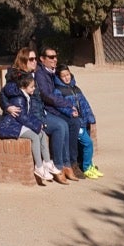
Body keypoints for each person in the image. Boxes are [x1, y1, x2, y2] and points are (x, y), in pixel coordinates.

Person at [0, 72, 59, 185]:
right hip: (10, 125)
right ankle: (39, 167)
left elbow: (29, 114)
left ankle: (47, 162)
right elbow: (22, 117)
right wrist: (35, 126)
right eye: (32, 87)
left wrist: (39, 124)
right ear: (23, 87)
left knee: (42, 134)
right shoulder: (19, 99)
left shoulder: (26, 96)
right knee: (35, 136)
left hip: (18, 123)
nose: (34, 89)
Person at [34, 46, 80, 181]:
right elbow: (47, 96)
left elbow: (67, 82)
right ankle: (59, 165)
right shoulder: (40, 74)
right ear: (42, 59)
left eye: (55, 56)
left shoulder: (54, 72)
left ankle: (70, 162)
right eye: (51, 57)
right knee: (61, 126)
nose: (55, 59)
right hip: (47, 110)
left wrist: (71, 108)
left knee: (75, 122)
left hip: (56, 108)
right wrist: (67, 105)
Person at [53, 64, 102, 178]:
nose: (66, 78)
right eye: (63, 76)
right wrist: (69, 112)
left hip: (83, 120)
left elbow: (85, 104)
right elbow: (59, 105)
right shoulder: (58, 91)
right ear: (59, 77)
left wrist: (90, 116)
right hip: (75, 122)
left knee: (85, 144)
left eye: (68, 74)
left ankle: (89, 165)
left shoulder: (76, 88)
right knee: (88, 143)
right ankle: (86, 167)